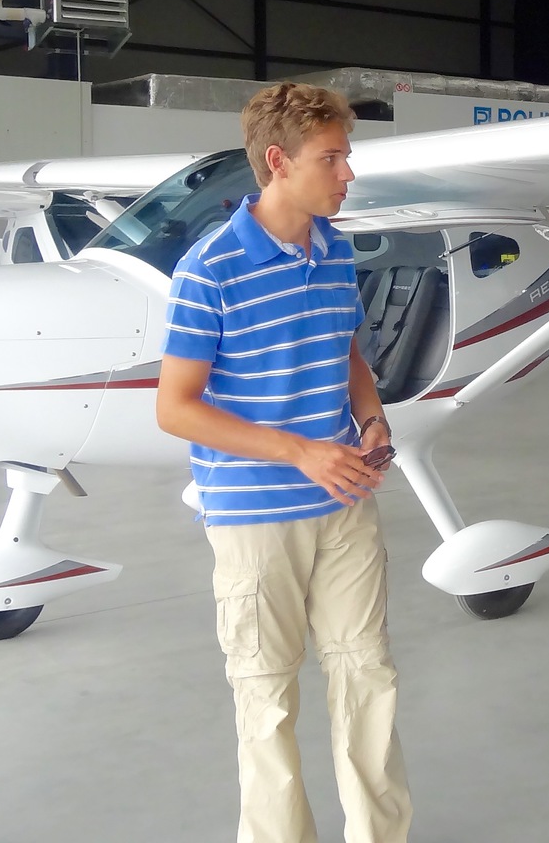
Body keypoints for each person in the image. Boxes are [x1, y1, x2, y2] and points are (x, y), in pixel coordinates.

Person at [156, 81, 412, 843]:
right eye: (331, 158)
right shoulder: (209, 270)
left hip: (346, 504)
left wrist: (371, 418)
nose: (347, 173)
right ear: (278, 162)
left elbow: (349, 352)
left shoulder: (335, 252)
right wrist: (300, 451)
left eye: (346, 156)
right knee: (266, 701)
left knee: (368, 678)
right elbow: (176, 407)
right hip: (255, 519)